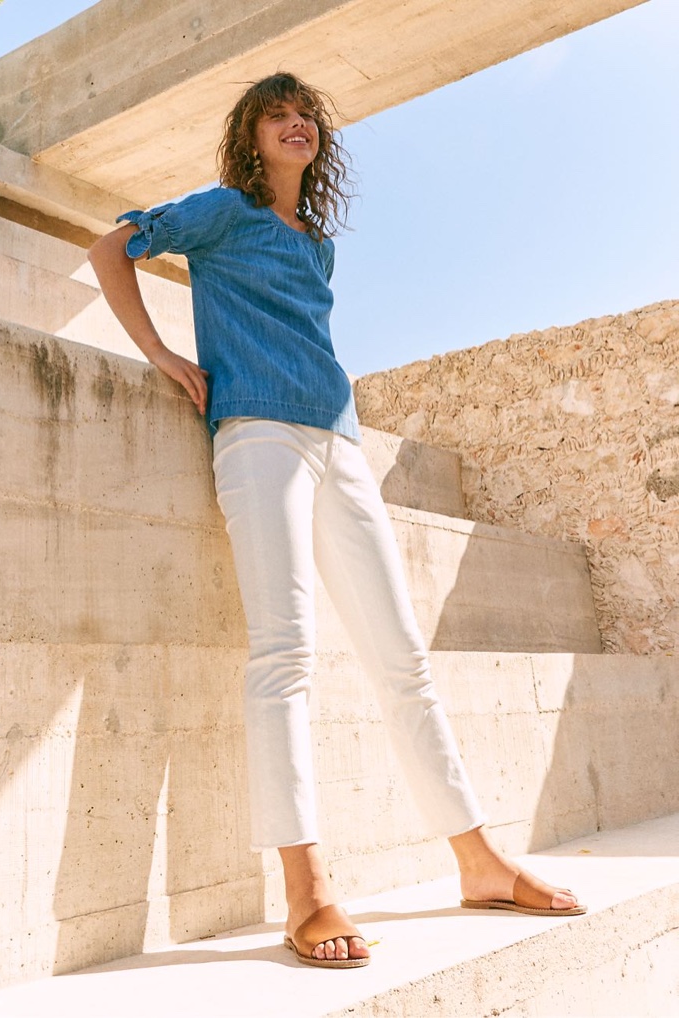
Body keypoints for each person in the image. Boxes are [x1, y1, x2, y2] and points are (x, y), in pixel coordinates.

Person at [88, 72, 585, 970]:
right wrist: (160, 350)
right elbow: (109, 245)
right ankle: (306, 890)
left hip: (338, 443)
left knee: (403, 659)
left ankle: (476, 860)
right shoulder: (220, 210)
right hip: (258, 438)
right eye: (278, 114)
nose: (297, 124)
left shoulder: (315, 244)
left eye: (308, 116)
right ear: (250, 134)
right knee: (284, 653)